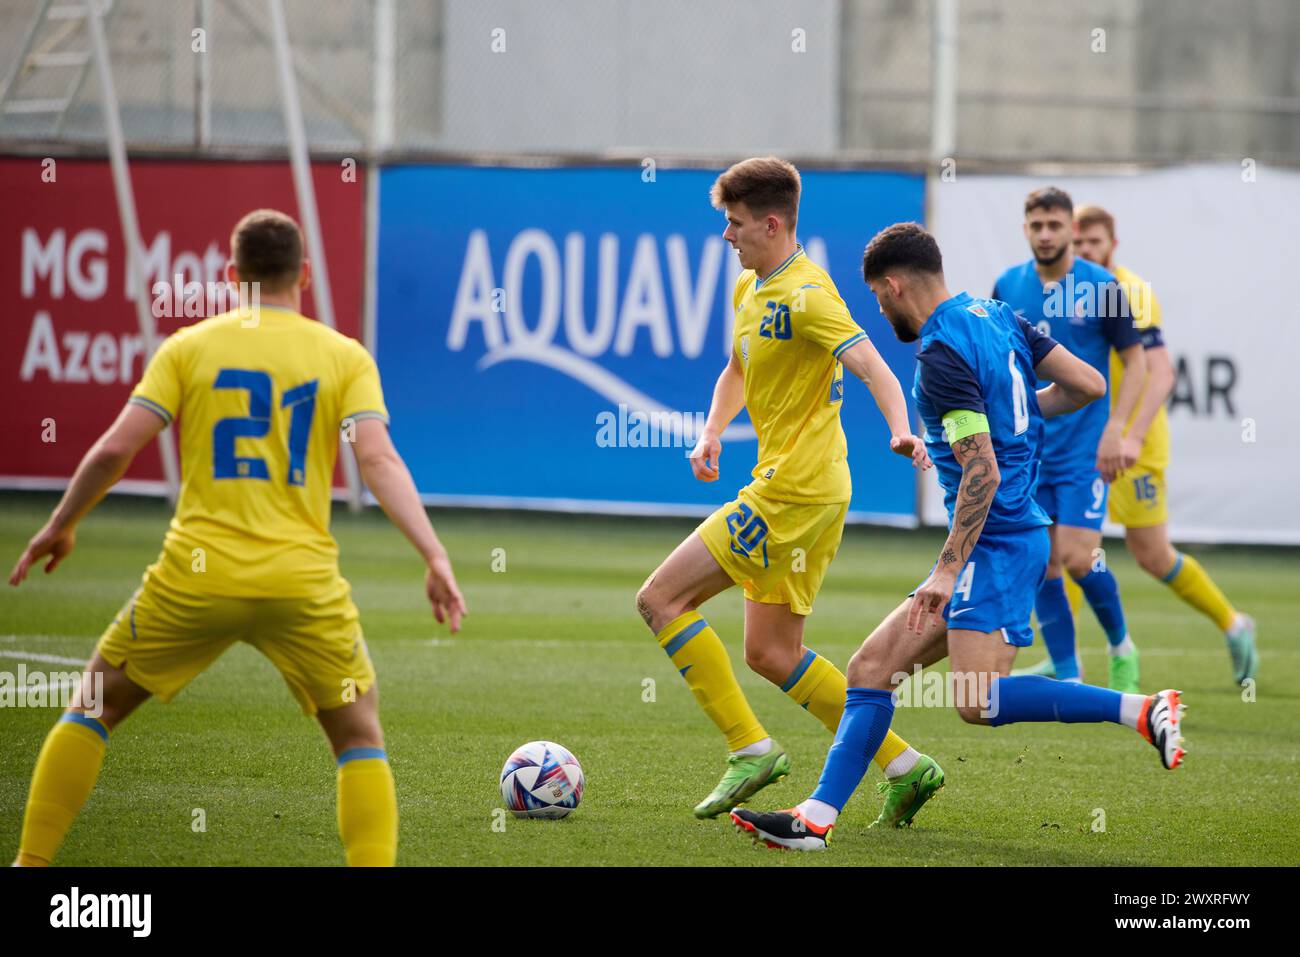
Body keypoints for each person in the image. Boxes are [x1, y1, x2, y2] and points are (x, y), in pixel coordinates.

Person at [9, 209, 466, 867]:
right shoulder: (342, 355)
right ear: (304, 276)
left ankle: (31, 862)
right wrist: (434, 553)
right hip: (299, 583)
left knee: (92, 703)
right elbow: (378, 460)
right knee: (359, 734)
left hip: (197, 576)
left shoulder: (190, 347)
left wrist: (61, 523)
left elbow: (115, 449)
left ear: (231, 276)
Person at [732, 223, 1185, 851]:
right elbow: (1090, 384)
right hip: (1004, 538)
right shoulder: (998, 315)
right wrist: (1016, 406)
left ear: (893, 285)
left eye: (877, 296)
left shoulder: (941, 352)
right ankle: (815, 818)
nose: (880, 309)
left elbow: (982, 469)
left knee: (978, 700)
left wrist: (946, 570)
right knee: (871, 668)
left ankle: (1140, 709)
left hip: (995, 544)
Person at [635, 158, 942, 826]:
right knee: (771, 652)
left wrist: (902, 431)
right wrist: (712, 431)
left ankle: (750, 747)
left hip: (794, 491)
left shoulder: (808, 293)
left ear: (772, 224)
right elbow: (736, 370)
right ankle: (904, 763)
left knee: (661, 598)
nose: (727, 237)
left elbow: (873, 365)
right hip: (800, 488)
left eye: (736, 224)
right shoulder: (754, 291)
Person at [1067, 204, 1255, 686]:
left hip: (1135, 445)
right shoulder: (1067, 290)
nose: (1087, 250)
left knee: (1151, 555)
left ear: (1113, 243)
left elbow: (1160, 372)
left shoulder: (1130, 291)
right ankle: (1067, 663)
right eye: (1080, 242)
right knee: (1067, 545)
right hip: (1085, 439)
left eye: (1095, 241)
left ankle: (1233, 624)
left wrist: (1130, 434)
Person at [994, 187, 1147, 692]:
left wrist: (1117, 429)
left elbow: (1138, 361)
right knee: (1041, 561)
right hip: (1030, 450)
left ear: (1070, 230)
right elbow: (1001, 363)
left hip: (1085, 449)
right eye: (1036, 225)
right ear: (1025, 229)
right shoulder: (1007, 286)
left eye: (1054, 225)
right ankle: (1069, 674)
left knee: (1081, 557)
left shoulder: (1103, 286)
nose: (1045, 234)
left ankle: (1121, 644)